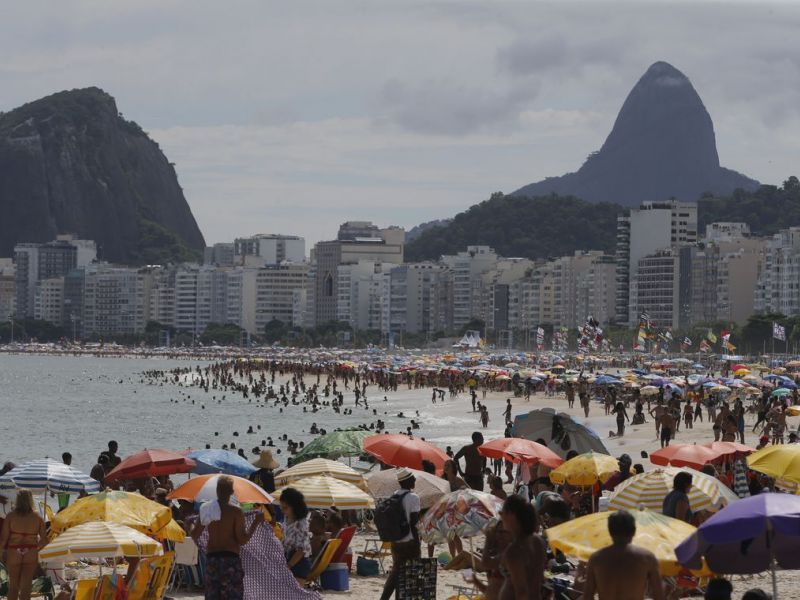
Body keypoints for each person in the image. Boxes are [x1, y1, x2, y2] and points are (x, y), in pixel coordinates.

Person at [191, 475, 262, 600]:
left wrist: (189, 526)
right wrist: (256, 522)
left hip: (212, 559)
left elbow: (195, 535)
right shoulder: (235, 511)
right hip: (230, 560)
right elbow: (242, 540)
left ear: (217, 490)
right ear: (232, 492)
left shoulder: (206, 508)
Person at [583, 510, 663, 600]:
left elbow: (587, 596)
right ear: (634, 531)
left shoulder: (596, 558)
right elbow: (659, 596)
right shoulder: (647, 558)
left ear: (610, 531)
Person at [380, 469, 420, 600]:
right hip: (409, 542)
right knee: (408, 574)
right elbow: (414, 523)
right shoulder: (413, 497)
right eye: (412, 478)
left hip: (395, 541)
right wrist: (417, 542)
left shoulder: (394, 495)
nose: (414, 480)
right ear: (407, 481)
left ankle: (384, 598)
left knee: (397, 571)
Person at [0, 490, 48, 600]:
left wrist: (1, 552)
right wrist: (36, 549)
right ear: (31, 500)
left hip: (14, 551)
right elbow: (44, 540)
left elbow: (3, 539)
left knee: (13, 587)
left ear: (17, 500)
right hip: (31, 551)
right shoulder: (38, 517)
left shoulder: (11, 516)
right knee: (26, 587)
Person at [498, 494, 547, 600]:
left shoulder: (515, 550)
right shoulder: (538, 541)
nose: (501, 516)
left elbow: (522, 592)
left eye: (502, 513)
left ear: (511, 515)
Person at [279, 487, 312, 580]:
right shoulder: (286, 519)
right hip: (287, 559)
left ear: (295, 507)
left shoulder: (302, 523)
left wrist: (288, 566)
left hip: (299, 563)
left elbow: (301, 550)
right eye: (281, 507)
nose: (282, 510)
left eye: (285, 508)